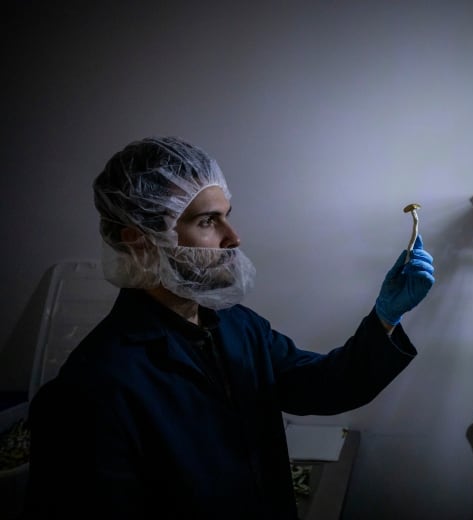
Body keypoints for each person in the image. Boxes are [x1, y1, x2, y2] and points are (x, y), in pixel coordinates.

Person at [24, 136, 435, 519]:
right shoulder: (92, 388)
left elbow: (323, 384)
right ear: (141, 241)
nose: (233, 238)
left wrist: (386, 317)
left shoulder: (237, 326)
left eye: (227, 217)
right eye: (208, 222)